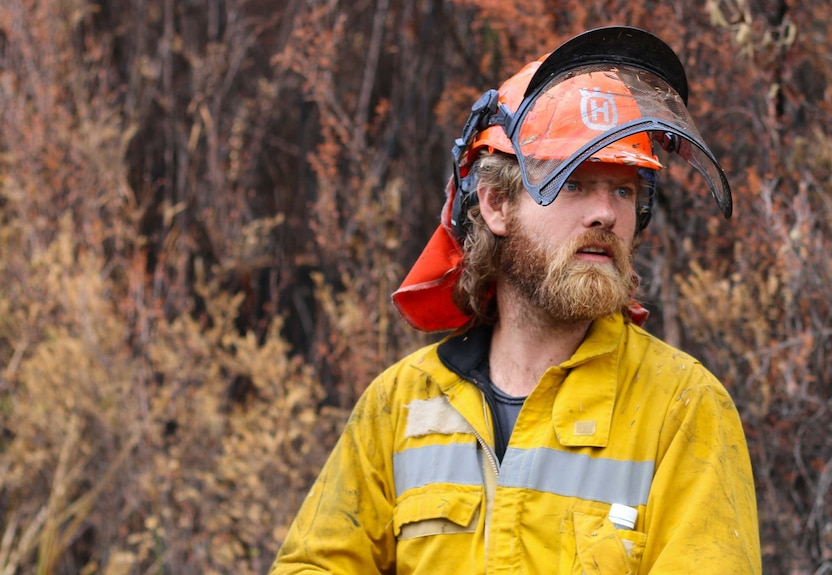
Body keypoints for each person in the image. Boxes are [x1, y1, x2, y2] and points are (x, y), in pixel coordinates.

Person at [270, 26, 761, 574]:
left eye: (623, 190)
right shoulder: (401, 405)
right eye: (574, 184)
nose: (605, 214)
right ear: (497, 203)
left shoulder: (682, 408)